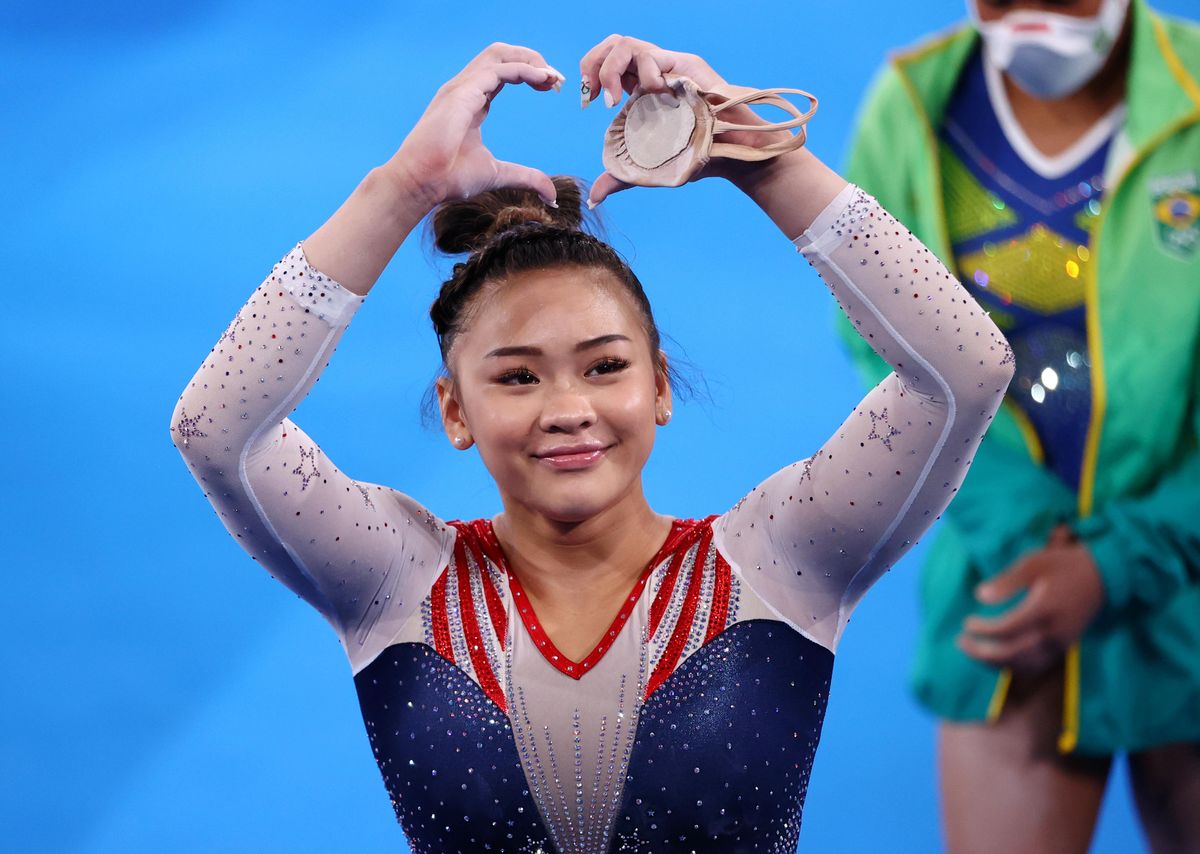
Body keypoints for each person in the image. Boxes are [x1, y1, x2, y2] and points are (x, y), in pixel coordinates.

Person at [171, 35, 1012, 852]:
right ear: (455, 411)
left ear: (659, 389)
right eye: (518, 377)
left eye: (604, 366)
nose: (568, 408)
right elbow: (218, 429)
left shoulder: (778, 562)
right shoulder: (397, 579)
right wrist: (400, 189)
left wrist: (769, 162)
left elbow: (962, 372)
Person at [839, 1, 1200, 851]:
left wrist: (1116, 562)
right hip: (1007, 586)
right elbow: (889, 355)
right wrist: (1027, 538)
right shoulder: (911, 107)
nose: (1035, 13)